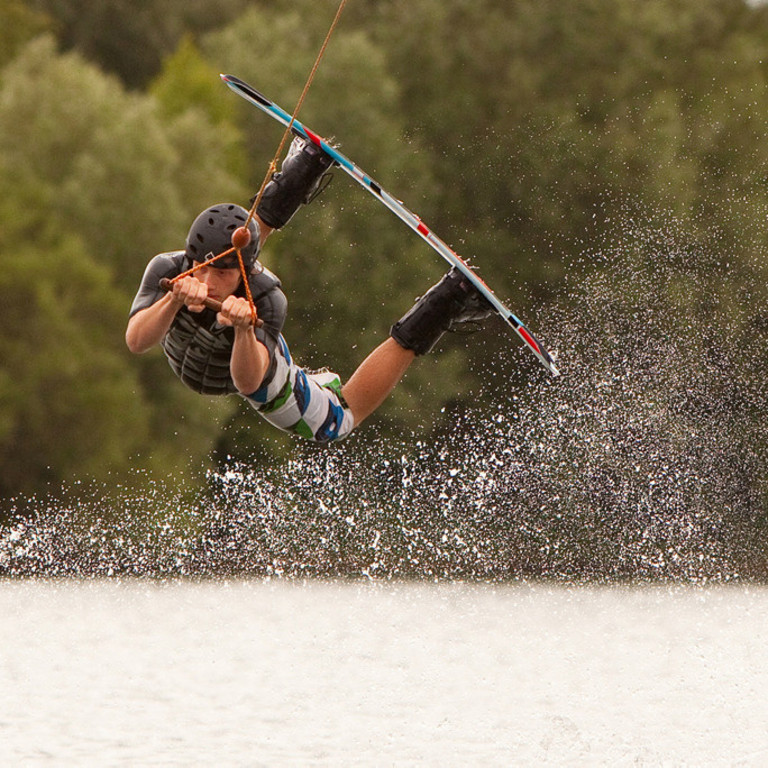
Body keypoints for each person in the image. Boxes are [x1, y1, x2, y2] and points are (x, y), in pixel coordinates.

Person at [126, 137, 492, 443]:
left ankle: (448, 300)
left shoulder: (267, 298)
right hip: (196, 346)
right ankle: (303, 169)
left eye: (223, 272)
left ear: (247, 274)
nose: (207, 281)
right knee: (237, 241)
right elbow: (137, 341)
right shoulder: (167, 269)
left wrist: (243, 330)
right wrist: (173, 298)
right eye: (201, 266)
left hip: (255, 364)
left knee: (337, 423)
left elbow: (249, 381)